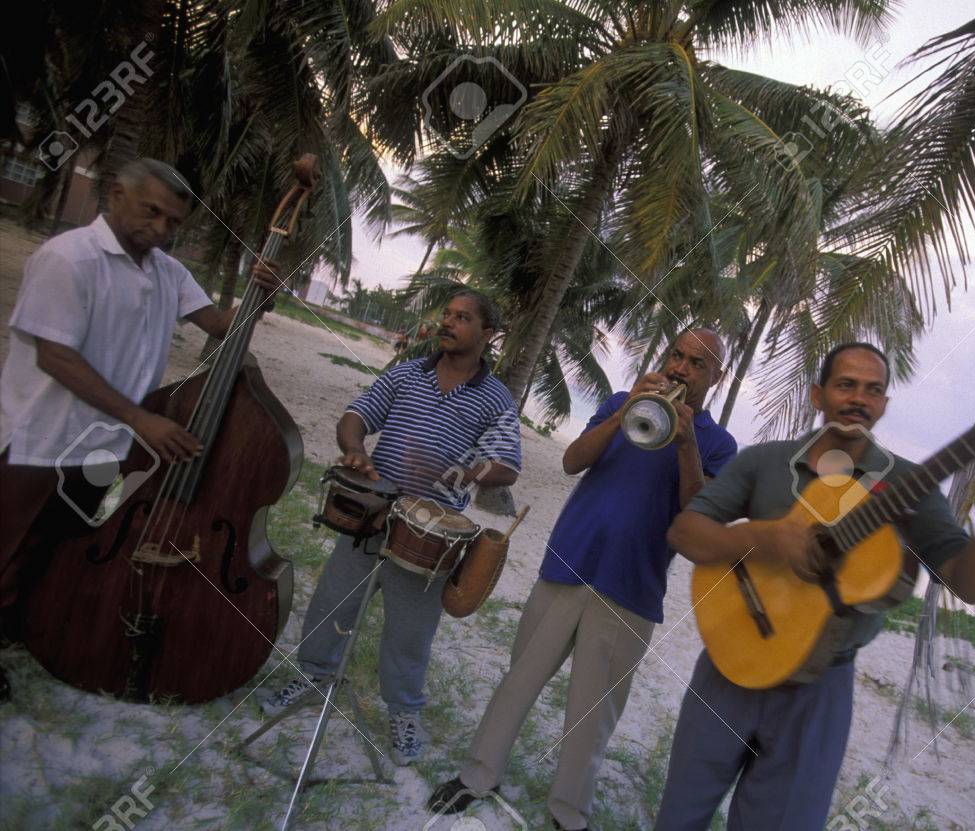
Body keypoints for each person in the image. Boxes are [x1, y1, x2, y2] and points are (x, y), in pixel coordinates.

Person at [653, 342, 975, 831]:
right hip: (728, 665)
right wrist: (763, 536)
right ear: (819, 394)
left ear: (884, 404)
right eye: (846, 385)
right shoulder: (765, 461)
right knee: (679, 816)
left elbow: (970, 583)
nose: (858, 398)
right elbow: (684, 533)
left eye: (873, 389)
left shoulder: (911, 485)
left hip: (820, 689)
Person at [428, 329, 738, 831]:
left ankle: (568, 814)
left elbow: (697, 518)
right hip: (568, 563)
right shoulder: (621, 402)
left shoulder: (720, 445)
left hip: (631, 590)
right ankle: (477, 776)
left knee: (592, 715)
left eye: (696, 364)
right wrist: (625, 411)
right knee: (519, 678)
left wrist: (686, 443)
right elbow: (573, 461)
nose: (680, 368)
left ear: (715, 377)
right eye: (676, 355)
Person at [0, 158, 283, 702]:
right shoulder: (69, 258)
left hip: (101, 447)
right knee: (8, 545)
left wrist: (259, 296)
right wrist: (139, 417)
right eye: (151, 212)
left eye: (173, 222)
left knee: (55, 547)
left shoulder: (167, 272)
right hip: (43, 436)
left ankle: (18, 628)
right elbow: (56, 356)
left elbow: (225, 327)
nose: (160, 229)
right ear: (116, 195)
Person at [260, 289, 522, 766]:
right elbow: (355, 416)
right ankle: (314, 674)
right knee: (334, 600)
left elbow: (507, 465)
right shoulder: (407, 372)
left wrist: (469, 470)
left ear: (487, 335)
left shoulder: (496, 398)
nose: (448, 322)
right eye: (447, 313)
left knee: (410, 633)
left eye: (462, 318)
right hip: (371, 512)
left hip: (431, 533)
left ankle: (404, 713)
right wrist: (355, 447)